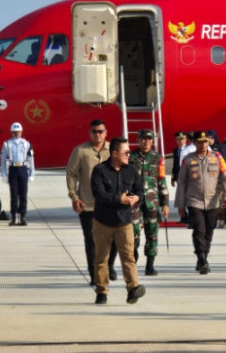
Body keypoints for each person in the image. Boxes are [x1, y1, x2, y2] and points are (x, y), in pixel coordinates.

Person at [90, 137, 146, 305]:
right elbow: (98, 193)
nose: (129, 155)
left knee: (128, 256)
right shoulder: (100, 170)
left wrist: (136, 198)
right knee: (102, 258)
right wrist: (118, 199)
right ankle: (101, 291)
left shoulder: (131, 170)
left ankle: (133, 289)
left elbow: (140, 191)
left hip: (124, 221)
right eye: (126, 152)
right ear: (114, 153)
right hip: (103, 221)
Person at [66, 119, 119, 286]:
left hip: (112, 204)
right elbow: (71, 173)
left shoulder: (114, 150)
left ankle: (109, 266)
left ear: (106, 132)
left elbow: (125, 172)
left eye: (101, 131)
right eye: (94, 131)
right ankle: (95, 275)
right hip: (88, 205)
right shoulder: (81, 151)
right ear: (90, 133)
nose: (98, 134)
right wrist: (74, 197)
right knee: (92, 242)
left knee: (115, 239)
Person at [175, 131, 226, 274]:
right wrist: (180, 204)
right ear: (195, 143)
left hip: (213, 201)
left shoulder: (217, 157)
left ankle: (203, 257)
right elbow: (181, 181)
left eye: (205, 141)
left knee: (209, 231)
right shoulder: (188, 159)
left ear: (209, 142)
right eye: (200, 142)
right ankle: (201, 257)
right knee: (199, 230)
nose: (203, 144)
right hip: (194, 201)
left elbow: (225, 176)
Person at [129, 129, 170, 276]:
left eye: (149, 139)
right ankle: (133, 257)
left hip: (152, 202)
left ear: (152, 141)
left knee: (152, 233)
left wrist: (165, 203)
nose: (146, 142)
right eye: (143, 139)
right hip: (136, 202)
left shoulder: (157, 158)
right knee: (134, 232)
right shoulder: (130, 157)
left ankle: (150, 265)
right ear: (138, 140)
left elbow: (162, 181)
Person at [0, 122, 34, 226]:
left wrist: (32, 173)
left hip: (23, 168)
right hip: (13, 169)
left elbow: (31, 159)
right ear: (12, 133)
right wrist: (4, 174)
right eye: (14, 132)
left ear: (21, 132)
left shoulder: (26, 143)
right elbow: (2, 160)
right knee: (14, 195)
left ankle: (22, 217)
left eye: (18, 132)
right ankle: (14, 217)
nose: (16, 134)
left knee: (23, 194)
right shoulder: (7, 144)